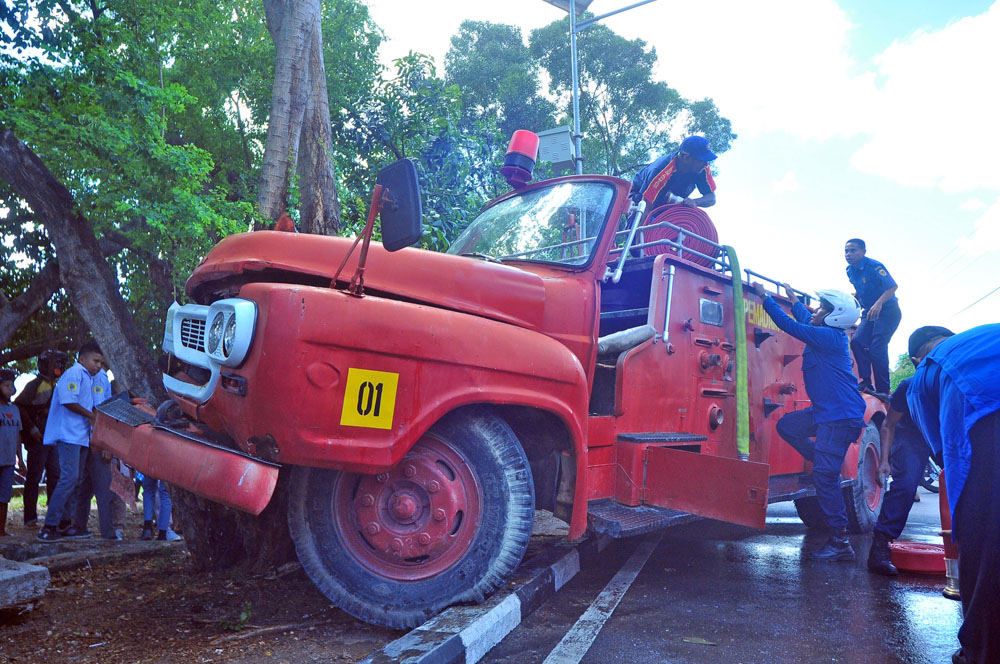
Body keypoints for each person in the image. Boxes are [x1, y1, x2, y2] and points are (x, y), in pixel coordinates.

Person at [751, 282, 866, 560]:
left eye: (823, 308)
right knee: (788, 426)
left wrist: (766, 298)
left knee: (824, 477)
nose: (817, 310)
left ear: (834, 316)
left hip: (839, 415)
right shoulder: (827, 334)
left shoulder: (830, 337)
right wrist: (795, 300)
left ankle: (840, 542)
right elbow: (805, 319)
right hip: (827, 412)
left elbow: (792, 327)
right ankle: (825, 464)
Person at [906, 324, 1000, 664]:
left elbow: (947, 454)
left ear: (917, 358)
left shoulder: (925, 373)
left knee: (985, 532)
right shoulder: (982, 337)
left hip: (986, 404)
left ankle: (982, 652)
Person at [37, 341, 105, 542]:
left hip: (81, 436)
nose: (99, 366)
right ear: (82, 359)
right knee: (68, 478)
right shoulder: (74, 374)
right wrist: (91, 416)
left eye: (101, 362)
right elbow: (68, 401)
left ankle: (67, 523)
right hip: (68, 435)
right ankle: (49, 526)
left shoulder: (90, 379)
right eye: (95, 361)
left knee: (76, 481)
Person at [867, 376, 932, 575]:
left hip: (944, 431)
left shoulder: (960, 378)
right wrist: (884, 461)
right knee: (906, 485)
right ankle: (880, 548)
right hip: (911, 435)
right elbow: (888, 424)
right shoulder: (909, 386)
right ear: (917, 361)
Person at [14, 349, 68, 526]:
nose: (58, 367)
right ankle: (30, 518)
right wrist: (32, 429)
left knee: (55, 475)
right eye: (55, 363)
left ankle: (53, 516)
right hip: (38, 439)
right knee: (34, 477)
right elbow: (19, 407)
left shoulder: (56, 385)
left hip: (53, 438)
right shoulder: (35, 385)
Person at [844, 239, 901, 395]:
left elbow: (892, 287)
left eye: (853, 250)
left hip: (888, 312)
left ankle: (884, 390)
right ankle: (867, 382)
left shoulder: (874, 266)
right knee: (856, 342)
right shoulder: (850, 270)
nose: (849, 254)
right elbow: (861, 290)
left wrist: (878, 304)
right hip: (869, 313)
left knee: (877, 348)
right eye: (846, 251)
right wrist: (853, 299)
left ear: (863, 252)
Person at [70, 360, 117, 539]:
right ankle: (106, 531)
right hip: (93, 441)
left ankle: (82, 526)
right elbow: (101, 412)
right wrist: (104, 443)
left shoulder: (97, 376)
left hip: (89, 439)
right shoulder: (98, 377)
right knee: (101, 488)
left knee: (88, 488)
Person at [629, 135, 717, 210]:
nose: (706, 164)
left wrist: (694, 202)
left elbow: (711, 198)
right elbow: (645, 207)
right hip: (641, 197)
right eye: (702, 160)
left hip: (667, 203)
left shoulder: (703, 169)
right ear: (686, 157)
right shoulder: (661, 170)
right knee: (640, 219)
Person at [0, 368, 24, 536]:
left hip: (8, 460)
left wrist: (20, 459)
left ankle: (1, 530)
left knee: (4, 496)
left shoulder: (14, 410)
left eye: (12, 385)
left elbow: (18, 435)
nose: (11, 389)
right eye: (6, 385)